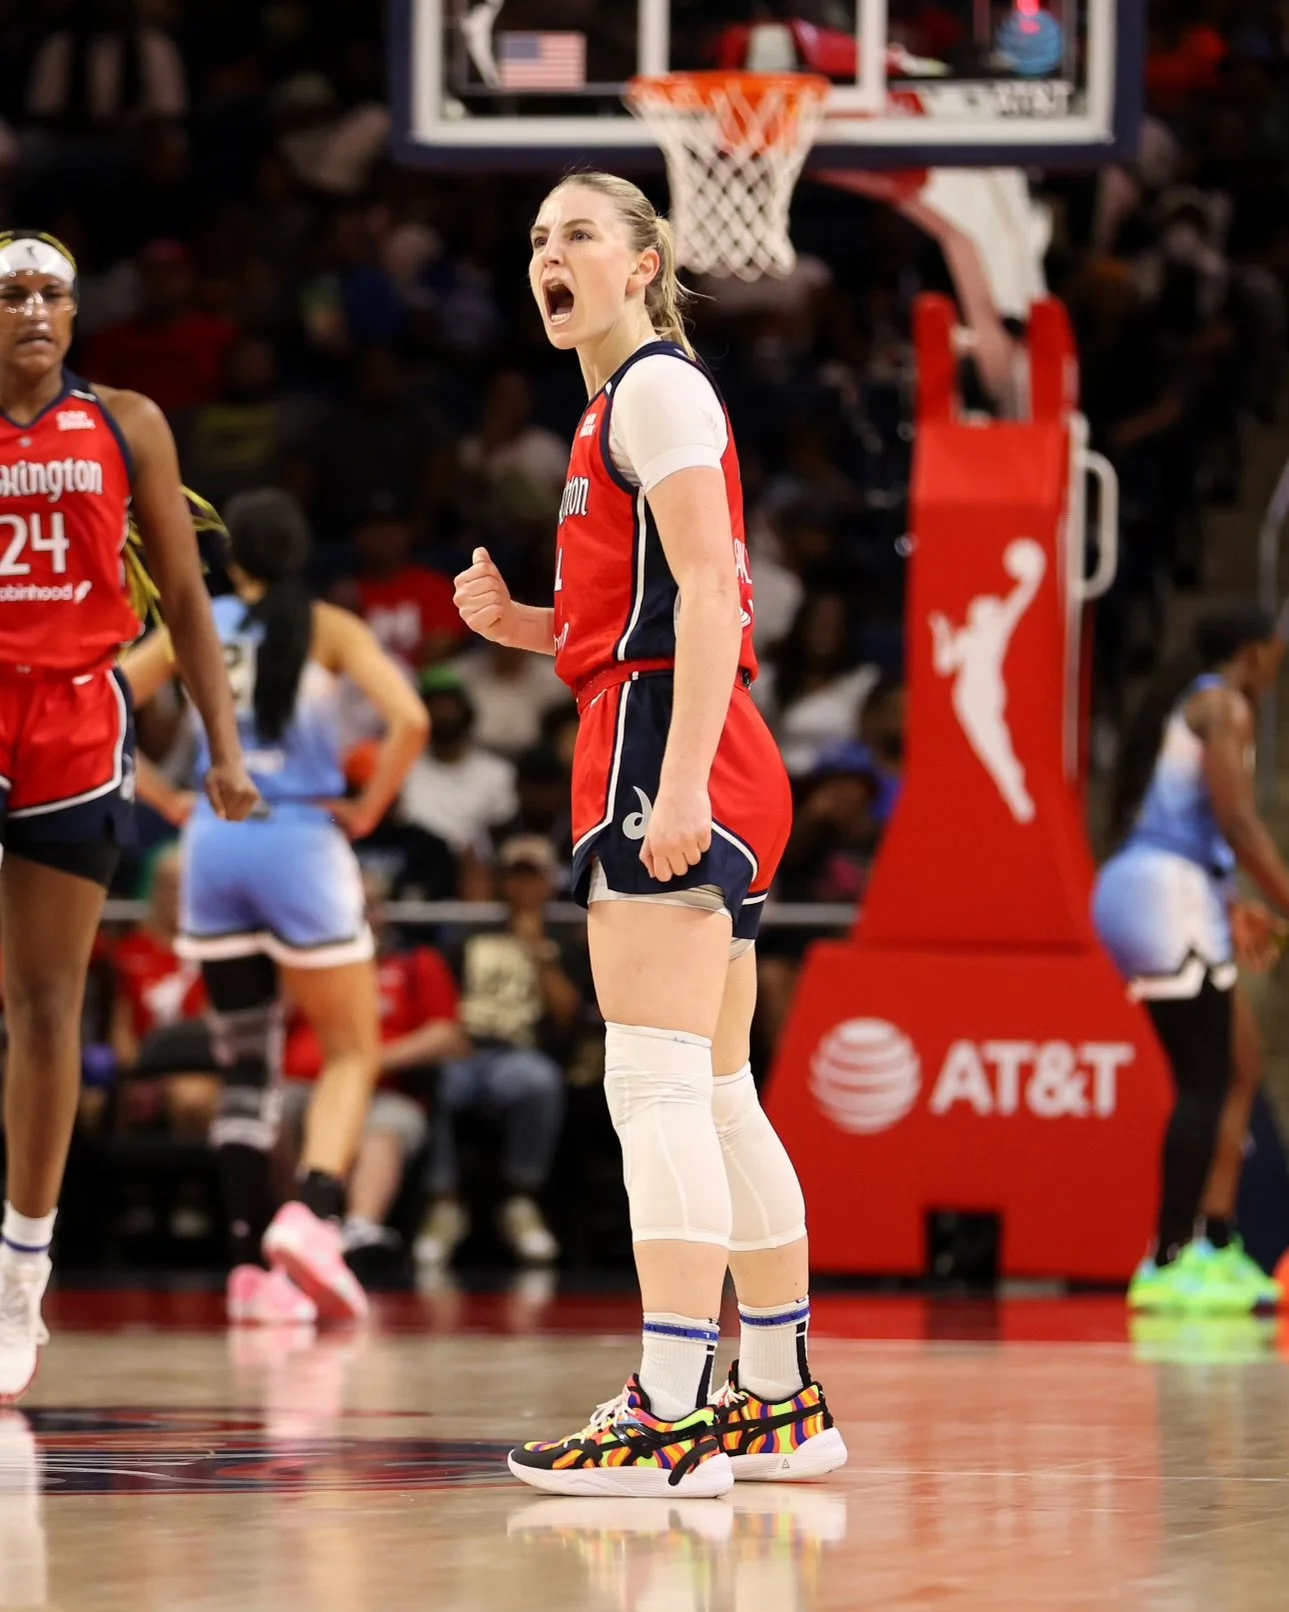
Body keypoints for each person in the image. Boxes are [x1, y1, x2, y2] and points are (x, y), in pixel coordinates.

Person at [453, 173, 847, 1497]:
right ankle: (779, 1399)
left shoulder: (661, 391)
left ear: (645, 261)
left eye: (575, 236)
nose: (546, 258)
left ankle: (669, 1413)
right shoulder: (615, 408)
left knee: (654, 1086)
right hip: (688, 738)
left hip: (668, 746)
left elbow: (708, 599)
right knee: (717, 1089)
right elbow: (628, 615)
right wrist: (521, 628)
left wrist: (673, 788)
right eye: (534, 243)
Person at [0, 228, 256, 1403]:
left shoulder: (128, 423)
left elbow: (191, 600)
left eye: (54, 290)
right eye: (13, 293)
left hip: (69, 727)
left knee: (46, 1005)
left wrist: (224, 746)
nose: (36, 308)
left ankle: (20, 1275)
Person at [122, 488, 428, 1325]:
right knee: (349, 1051)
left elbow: (108, 697)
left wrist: (168, 797)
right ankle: (314, 1215)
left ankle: (251, 1267)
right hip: (300, 842)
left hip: (214, 843)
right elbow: (410, 719)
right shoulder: (331, 626)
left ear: (234, 560)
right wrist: (365, 811)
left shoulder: (199, 619)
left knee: (246, 1064)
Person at [1094, 604, 1289, 1313]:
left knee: (1238, 1062)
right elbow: (1237, 821)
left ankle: (1213, 1237)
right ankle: (1168, 1256)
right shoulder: (1224, 704)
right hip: (1160, 890)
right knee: (1204, 1074)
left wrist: (1232, 902)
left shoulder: (1201, 703)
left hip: (1176, 886)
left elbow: (1198, 823)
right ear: (1258, 652)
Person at [413, 834, 576, 1270]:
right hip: (464, 1047)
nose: (523, 888)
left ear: (548, 883)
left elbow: (569, 1015)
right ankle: (443, 1204)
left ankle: (520, 1199)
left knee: (537, 1082)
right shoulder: (470, 935)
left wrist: (537, 949)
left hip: (522, 1051)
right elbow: (440, 997)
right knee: (437, 1079)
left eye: (533, 878)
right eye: (515, 877)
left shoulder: (566, 935)